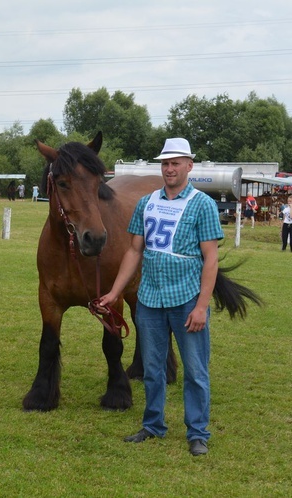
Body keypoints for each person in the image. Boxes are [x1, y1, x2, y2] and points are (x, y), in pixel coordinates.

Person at [96, 138, 223, 457]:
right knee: (152, 369)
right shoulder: (147, 203)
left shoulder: (202, 205)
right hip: (150, 299)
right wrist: (114, 292)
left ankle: (197, 432)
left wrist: (202, 306)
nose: (169, 168)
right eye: (165, 163)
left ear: (189, 166)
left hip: (186, 299)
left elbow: (211, 259)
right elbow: (134, 250)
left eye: (176, 162)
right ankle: (153, 425)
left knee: (195, 370)